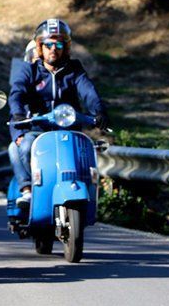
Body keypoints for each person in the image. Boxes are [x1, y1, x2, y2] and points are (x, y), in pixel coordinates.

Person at [8, 18, 107, 207]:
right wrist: (19, 114)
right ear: (40, 47)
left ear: (66, 47)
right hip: (37, 130)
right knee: (25, 146)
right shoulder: (29, 70)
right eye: (48, 44)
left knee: (86, 152)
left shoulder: (74, 70)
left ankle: (87, 193)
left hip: (69, 130)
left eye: (59, 44)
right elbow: (17, 93)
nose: (54, 48)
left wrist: (99, 111)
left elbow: (88, 91)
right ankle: (29, 190)